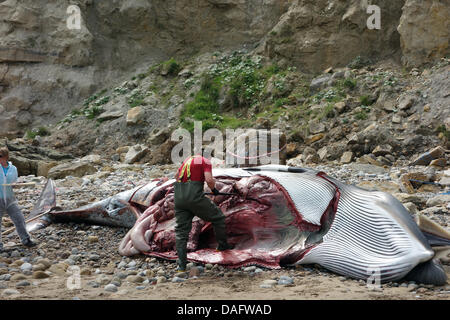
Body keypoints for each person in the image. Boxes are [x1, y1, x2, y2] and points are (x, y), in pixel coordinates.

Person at [174, 154, 233, 272]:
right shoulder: (205, 161)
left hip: (179, 198)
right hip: (195, 198)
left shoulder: (187, 160)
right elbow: (209, 179)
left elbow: (176, 176)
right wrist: (214, 190)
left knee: (181, 232)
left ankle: (181, 266)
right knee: (218, 217)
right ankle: (222, 246)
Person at [0, 147, 36, 251]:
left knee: (19, 219)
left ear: (6, 157)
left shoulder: (13, 169)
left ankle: (26, 240)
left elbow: (13, 183)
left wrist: (16, 185)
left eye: (0, 156)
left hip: (10, 199)